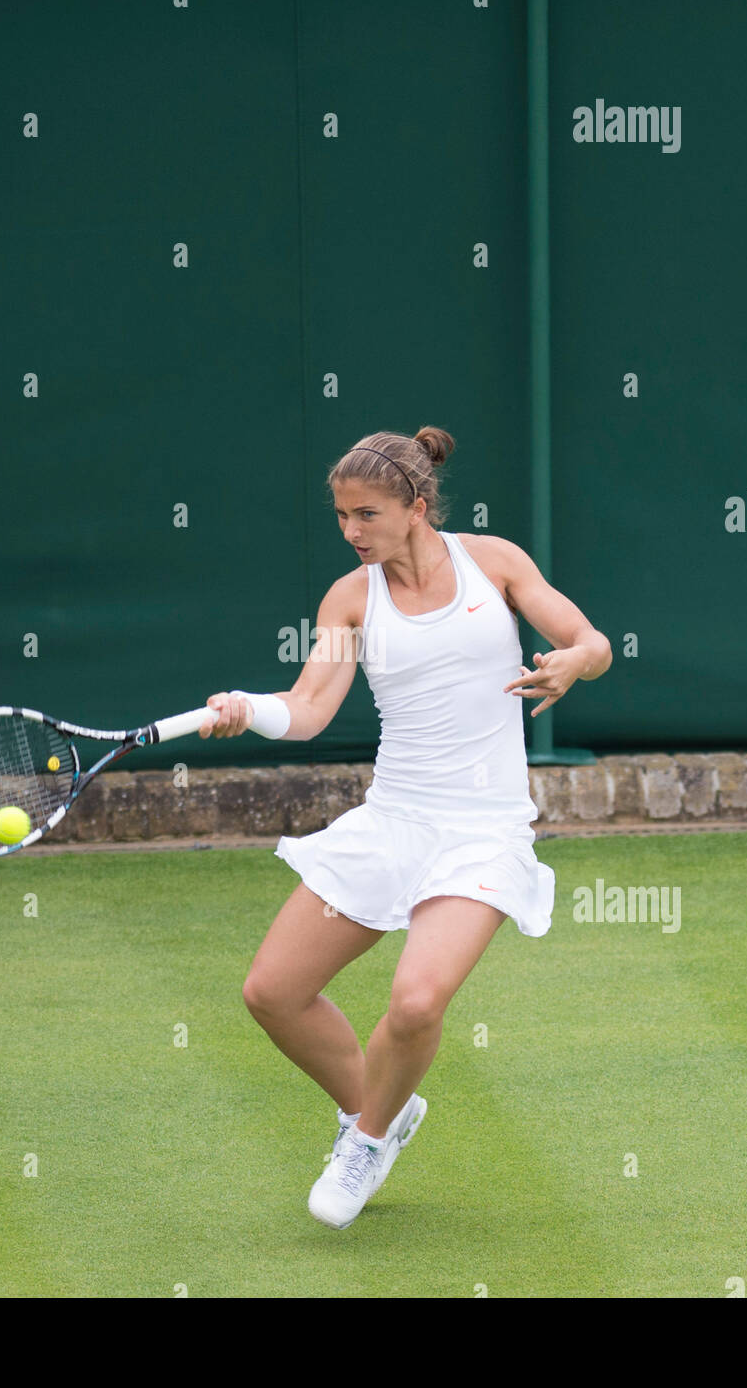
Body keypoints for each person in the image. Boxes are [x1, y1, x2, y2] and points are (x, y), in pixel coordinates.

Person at [203, 426, 611, 1228]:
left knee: (417, 1001)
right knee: (273, 993)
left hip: (483, 831)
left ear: (417, 508)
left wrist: (577, 659)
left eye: (368, 514)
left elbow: (586, 638)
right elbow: (312, 708)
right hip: (392, 823)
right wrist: (247, 709)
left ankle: (363, 1138)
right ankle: (379, 1111)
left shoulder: (493, 563)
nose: (353, 532)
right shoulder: (350, 597)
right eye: (342, 518)